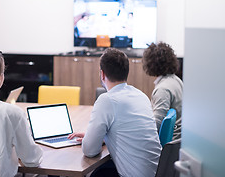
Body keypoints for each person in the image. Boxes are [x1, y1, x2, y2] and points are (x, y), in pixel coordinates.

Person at [69, 48, 161, 177]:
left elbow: (89, 150)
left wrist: (92, 139)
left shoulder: (107, 100)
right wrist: (99, 137)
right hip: (156, 171)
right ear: (126, 72)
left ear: (102, 74)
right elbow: (129, 133)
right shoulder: (140, 95)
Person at [142, 42, 183, 140]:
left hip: (170, 143)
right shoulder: (176, 80)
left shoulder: (162, 89)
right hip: (180, 140)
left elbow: (156, 125)